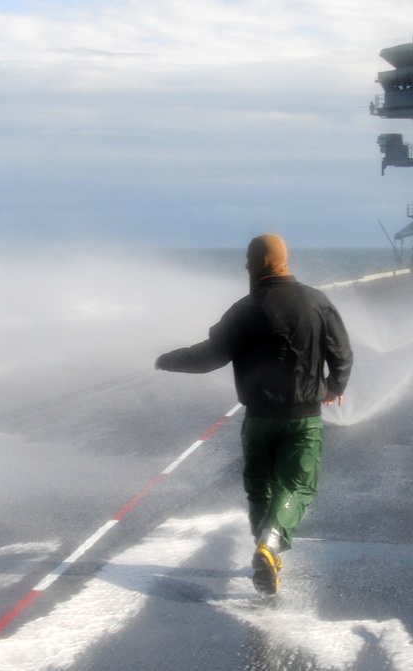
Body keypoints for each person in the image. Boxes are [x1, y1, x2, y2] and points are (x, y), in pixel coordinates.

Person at [154, 233, 353, 595]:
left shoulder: (244, 309)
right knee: (297, 484)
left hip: (258, 419)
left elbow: (210, 356)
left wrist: (167, 360)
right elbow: (341, 352)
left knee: (259, 489)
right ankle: (271, 546)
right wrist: (335, 386)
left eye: (249, 258)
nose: (246, 265)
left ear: (261, 261)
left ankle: (267, 551)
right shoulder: (317, 301)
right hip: (302, 419)